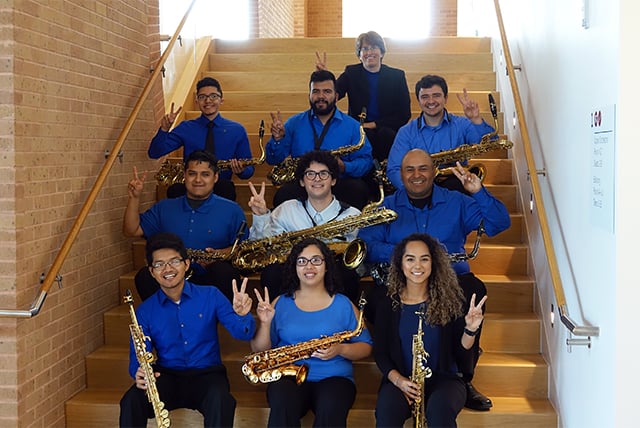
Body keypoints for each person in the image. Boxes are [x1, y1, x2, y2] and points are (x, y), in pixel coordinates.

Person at [359, 148, 511, 411]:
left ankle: (462, 377)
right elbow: (367, 245)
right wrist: (408, 254)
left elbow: (500, 223)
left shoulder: (457, 201)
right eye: (409, 170)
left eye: (423, 169)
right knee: (375, 301)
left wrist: (478, 192)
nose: (416, 175)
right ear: (400, 175)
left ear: (433, 172)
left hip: (452, 279)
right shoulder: (387, 207)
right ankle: (399, 375)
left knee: (474, 291)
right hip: (403, 280)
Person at [119, 232, 255, 428]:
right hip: (168, 375)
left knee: (222, 400)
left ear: (187, 264)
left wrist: (242, 315)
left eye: (174, 261)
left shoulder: (211, 295)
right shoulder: (145, 311)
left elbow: (243, 333)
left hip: (207, 375)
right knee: (131, 400)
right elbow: (139, 353)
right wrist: (138, 373)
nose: (167, 269)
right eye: (159, 264)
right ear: (151, 272)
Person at [250, 237, 373, 428]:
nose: (309, 266)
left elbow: (365, 346)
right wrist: (265, 324)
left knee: (331, 406)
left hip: (334, 378)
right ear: (294, 267)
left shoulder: (344, 303)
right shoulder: (280, 303)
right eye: (302, 261)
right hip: (288, 376)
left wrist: (340, 350)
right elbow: (259, 351)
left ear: (326, 266)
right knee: (282, 401)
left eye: (316, 260)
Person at [373, 233, 487, 427]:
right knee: (387, 411)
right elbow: (381, 353)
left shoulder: (450, 302)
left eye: (424, 259)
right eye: (410, 259)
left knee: (440, 410)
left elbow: (462, 352)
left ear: (433, 263)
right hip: (403, 379)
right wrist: (399, 381)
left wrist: (470, 330)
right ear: (400, 264)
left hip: (446, 381)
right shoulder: (387, 305)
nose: (417, 266)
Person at [123, 150, 248, 302]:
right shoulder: (164, 207)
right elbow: (132, 230)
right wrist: (134, 198)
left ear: (215, 177)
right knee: (145, 276)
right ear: (184, 176)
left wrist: (220, 254)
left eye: (205, 174)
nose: (198, 180)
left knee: (225, 273)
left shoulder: (232, 210)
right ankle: (165, 321)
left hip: (210, 275)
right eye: (192, 173)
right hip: (172, 274)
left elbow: (242, 248)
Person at [247, 150, 362, 304]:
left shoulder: (353, 215)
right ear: (302, 181)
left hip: (333, 274)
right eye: (310, 174)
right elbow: (263, 248)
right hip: (294, 272)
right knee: (272, 273)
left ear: (333, 180)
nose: (317, 179)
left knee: (348, 275)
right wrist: (261, 216)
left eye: (323, 174)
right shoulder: (286, 209)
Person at [266, 69, 374, 210]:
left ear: (336, 96)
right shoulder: (293, 123)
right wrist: (277, 139)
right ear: (309, 95)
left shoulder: (353, 126)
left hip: (339, 182)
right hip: (304, 183)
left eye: (327, 91)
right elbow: (272, 159)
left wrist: (345, 167)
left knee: (358, 190)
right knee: (283, 196)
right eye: (316, 91)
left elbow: (366, 161)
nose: (321, 96)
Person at [148, 76, 254, 201]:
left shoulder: (237, 130)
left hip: (220, 186)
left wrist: (241, 170)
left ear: (221, 100)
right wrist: (164, 130)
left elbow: (249, 171)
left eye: (213, 96)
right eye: (202, 97)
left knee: (226, 188)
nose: (208, 100)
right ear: (197, 101)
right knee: (174, 191)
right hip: (191, 185)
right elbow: (154, 153)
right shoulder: (186, 127)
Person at [386, 74, 496, 192]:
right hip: (419, 187)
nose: (431, 101)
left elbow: (491, 144)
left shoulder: (462, 124)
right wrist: (413, 190)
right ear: (418, 100)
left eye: (436, 95)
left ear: (446, 98)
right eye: (425, 97)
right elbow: (394, 169)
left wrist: (476, 119)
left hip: (456, 186)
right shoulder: (406, 132)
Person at [315, 30, 411, 162]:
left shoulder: (397, 76)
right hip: (359, 129)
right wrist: (325, 79)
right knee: (364, 137)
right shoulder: (351, 72)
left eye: (373, 48)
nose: (369, 52)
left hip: (387, 129)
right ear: (359, 55)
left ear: (382, 52)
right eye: (365, 49)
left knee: (385, 135)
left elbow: (404, 114)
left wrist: (373, 124)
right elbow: (334, 94)